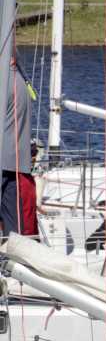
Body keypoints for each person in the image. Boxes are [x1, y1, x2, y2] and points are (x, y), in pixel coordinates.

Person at [2, 58, 38, 238]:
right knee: (13, 230)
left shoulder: (5, 82)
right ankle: (12, 260)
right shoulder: (19, 81)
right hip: (16, 164)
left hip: (4, 162)